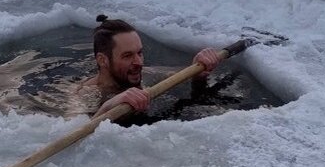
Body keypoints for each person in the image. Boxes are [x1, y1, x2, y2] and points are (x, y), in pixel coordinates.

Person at [75, 16, 221, 117]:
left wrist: (198, 69)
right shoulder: (84, 94)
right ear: (102, 60)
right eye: (127, 56)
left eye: (139, 53)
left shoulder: (149, 74)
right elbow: (72, 137)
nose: (139, 62)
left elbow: (182, 74)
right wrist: (109, 106)